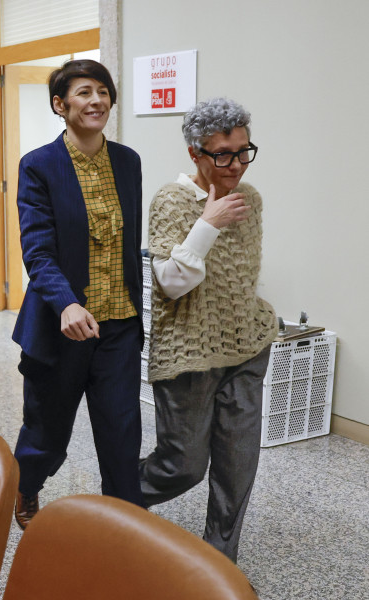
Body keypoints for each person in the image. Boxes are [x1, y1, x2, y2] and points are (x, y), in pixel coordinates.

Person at [139, 98, 276, 562]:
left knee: (237, 470)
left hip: (247, 347)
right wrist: (207, 224)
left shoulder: (250, 199)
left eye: (243, 151)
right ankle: (115, 502)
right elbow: (171, 285)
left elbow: (238, 278)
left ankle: (219, 566)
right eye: (223, 154)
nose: (235, 164)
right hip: (189, 356)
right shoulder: (171, 201)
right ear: (195, 153)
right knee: (183, 467)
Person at [11, 60, 145, 530]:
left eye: (103, 92)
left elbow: (130, 243)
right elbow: (39, 250)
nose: (96, 101)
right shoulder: (39, 166)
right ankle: (25, 487)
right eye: (84, 93)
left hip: (120, 326)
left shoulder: (128, 162)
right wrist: (66, 302)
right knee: (47, 433)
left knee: (122, 436)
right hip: (61, 326)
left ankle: (126, 526)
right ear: (60, 105)